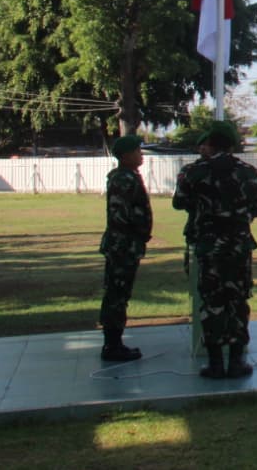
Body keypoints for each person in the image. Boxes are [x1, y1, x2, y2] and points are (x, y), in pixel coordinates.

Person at [172, 120, 257, 379]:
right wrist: (241, 217)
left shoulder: (193, 172)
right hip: (238, 246)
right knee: (237, 301)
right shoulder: (248, 171)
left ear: (210, 144)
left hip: (208, 247)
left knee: (212, 302)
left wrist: (203, 212)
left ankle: (215, 363)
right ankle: (236, 361)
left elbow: (179, 202)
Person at [98, 134, 153, 362]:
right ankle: (112, 345)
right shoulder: (123, 178)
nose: (141, 154)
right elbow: (120, 214)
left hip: (126, 244)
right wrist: (137, 233)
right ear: (126, 155)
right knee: (117, 295)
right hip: (123, 246)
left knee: (119, 294)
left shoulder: (128, 176)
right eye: (137, 150)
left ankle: (114, 343)